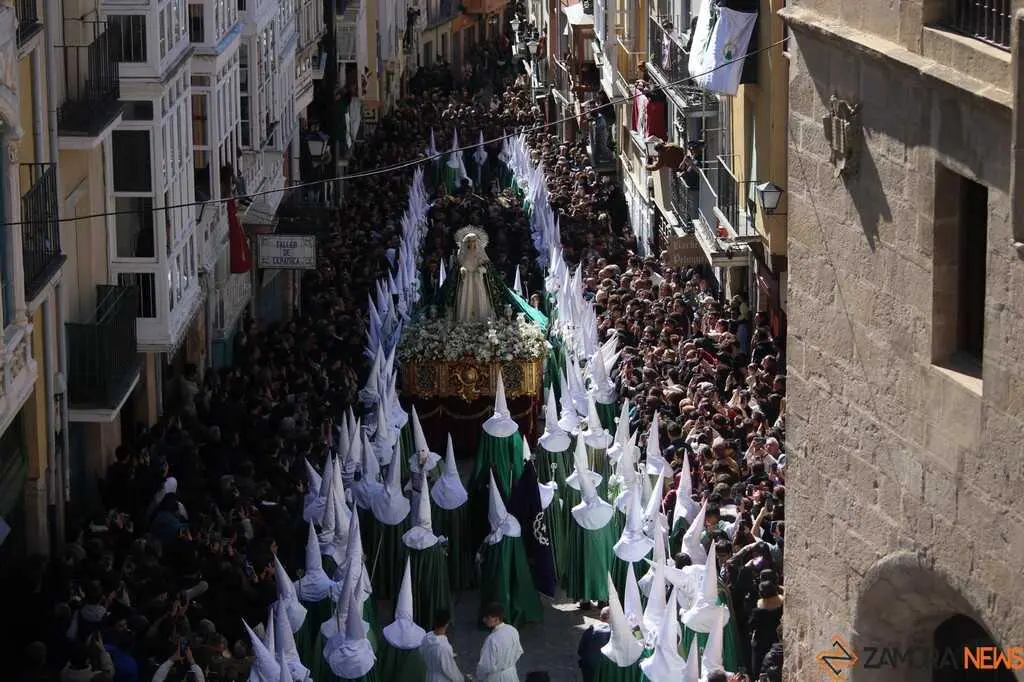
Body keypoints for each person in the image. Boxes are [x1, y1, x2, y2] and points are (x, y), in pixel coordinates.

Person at [454, 229, 496, 322]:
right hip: (466, 279)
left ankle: (481, 318)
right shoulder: (462, 252)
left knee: (479, 296)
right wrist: (462, 269)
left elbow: (486, 266)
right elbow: (459, 265)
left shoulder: (480, 252)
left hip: (477, 277)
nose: (471, 243)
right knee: (466, 296)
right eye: (469, 241)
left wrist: (481, 269)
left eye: (473, 241)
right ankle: (465, 319)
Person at [475, 603, 523, 682]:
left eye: (487, 617)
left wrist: (479, 678)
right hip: (511, 674)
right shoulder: (513, 630)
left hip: (496, 677)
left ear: (496, 619)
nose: (484, 620)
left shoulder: (492, 639)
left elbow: (485, 666)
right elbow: (518, 651)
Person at [420, 610, 464, 682]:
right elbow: (450, 670)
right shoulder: (443, 647)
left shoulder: (426, 638)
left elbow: (422, 654)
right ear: (447, 624)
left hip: (428, 677)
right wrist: (461, 679)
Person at [577, 607, 611, 682]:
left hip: (589, 669)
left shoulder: (589, 631)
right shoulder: (614, 634)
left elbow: (580, 651)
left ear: (600, 617)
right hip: (606, 671)